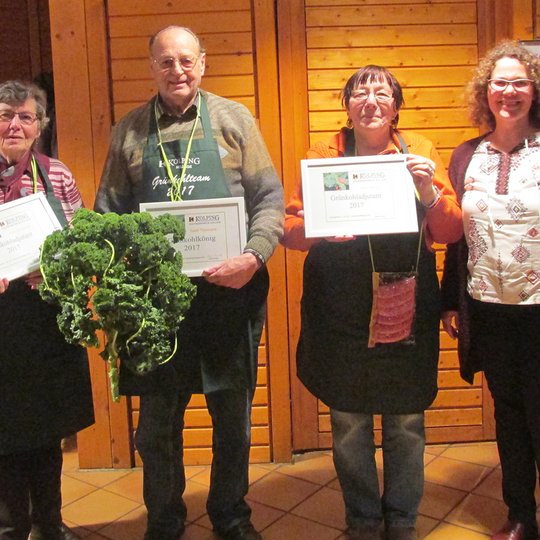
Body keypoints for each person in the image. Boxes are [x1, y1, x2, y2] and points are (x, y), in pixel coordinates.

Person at [94, 26, 283, 540]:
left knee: (233, 423)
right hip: (157, 306)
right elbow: (107, 213)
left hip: (230, 294)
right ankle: (164, 519)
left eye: (185, 60)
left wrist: (253, 255)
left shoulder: (234, 119)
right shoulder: (129, 131)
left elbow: (269, 198)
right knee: (156, 427)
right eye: (165, 62)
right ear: (151, 66)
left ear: (203, 63)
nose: (176, 70)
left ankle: (230, 514)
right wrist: (125, 270)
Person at [282, 65, 462, 540]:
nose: (371, 100)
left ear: (395, 106)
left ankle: (401, 519)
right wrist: (319, 228)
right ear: (347, 106)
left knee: (405, 419)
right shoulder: (324, 154)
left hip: (406, 297)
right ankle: (362, 518)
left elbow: (448, 231)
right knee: (348, 420)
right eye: (360, 92)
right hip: (338, 306)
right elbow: (289, 231)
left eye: (381, 92)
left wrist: (427, 191)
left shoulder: (419, 150)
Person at [441, 41, 540, 540]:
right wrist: (449, 301)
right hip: (490, 308)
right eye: (500, 82)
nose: (509, 92)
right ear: (486, 91)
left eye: (520, 82)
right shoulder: (466, 155)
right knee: (509, 413)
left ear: (535, 90)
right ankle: (521, 513)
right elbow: (459, 234)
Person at [0, 81, 94, 540]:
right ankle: (10, 526)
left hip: (45, 311)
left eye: (25, 117)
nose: (14, 124)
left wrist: (60, 264)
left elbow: (78, 236)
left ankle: (50, 522)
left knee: (48, 421)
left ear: (40, 126)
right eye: (4, 115)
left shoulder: (56, 173)